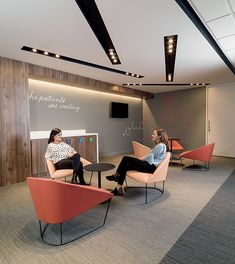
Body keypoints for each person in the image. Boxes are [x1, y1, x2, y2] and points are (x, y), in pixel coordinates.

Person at [106, 128, 169, 196]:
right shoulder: (159, 145)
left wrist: (140, 160)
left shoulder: (161, 146)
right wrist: (140, 159)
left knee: (125, 158)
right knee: (124, 166)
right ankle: (118, 189)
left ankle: (116, 176)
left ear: (159, 136)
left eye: (154, 134)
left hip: (150, 166)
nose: (152, 135)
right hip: (149, 165)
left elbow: (150, 158)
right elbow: (150, 156)